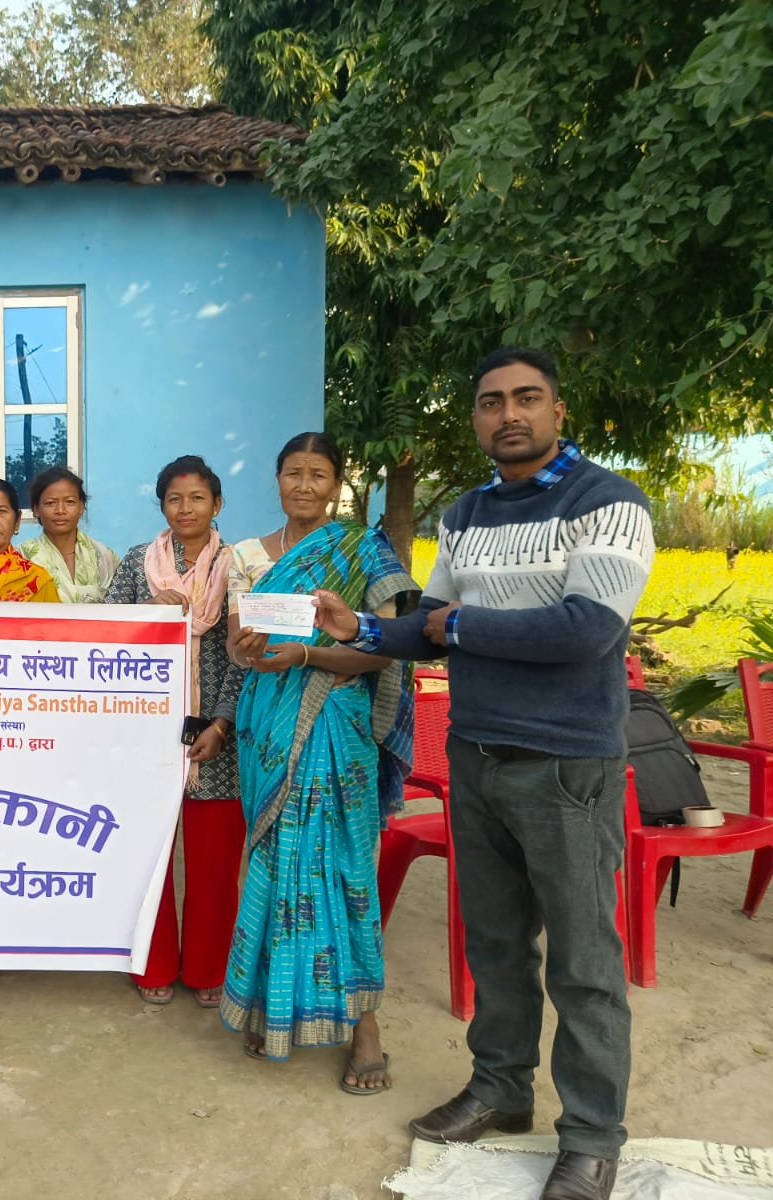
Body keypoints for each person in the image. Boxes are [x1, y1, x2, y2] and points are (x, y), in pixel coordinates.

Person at [313, 347, 655, 1200]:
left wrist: (459, 628)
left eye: (527, 399)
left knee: (583, 960)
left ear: (557, 411)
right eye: (492, 402)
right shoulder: (466, 514)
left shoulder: (609, 503)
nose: (510, 414)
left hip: (567, 764)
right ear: (475, 419)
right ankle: (501, 1090)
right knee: (497, 944)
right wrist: (358, 624)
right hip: (477, 756)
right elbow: (425, 623)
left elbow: (583, 630)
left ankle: (591, 1136)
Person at [220, 432, 418, 1096]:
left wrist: (305, 656)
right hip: (266, 729)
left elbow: (382, 650)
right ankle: (271, 1009)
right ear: (276, 479)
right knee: (275, 868)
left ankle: (365, 1031)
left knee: (342, 870)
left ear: (336, 483)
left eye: (318, 474)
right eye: (293, 473)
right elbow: (237, 643)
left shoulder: (362, 550)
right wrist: (244, 646)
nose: (304, 485)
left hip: (336, 727)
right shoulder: (248, 556)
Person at [103, 455, 244, 1006]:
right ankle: (153, 963)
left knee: (214, 861)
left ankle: (209, 970)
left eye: (197, 498)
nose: (186, 509)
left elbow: (246, 655)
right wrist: (149, 612)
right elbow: (108, 635)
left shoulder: (240, 565)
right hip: (146, 732)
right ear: (162, 506)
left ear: (217, 503)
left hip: (218, 733)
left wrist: (223, 722)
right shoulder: (141, 563)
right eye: (174, 499)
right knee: (148, 854)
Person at [17, 466, 120, 603]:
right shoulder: (21, 558)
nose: (60, 510)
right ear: (36, 509)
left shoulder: (104, 556)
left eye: (69, 502)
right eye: (50, 503)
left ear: (81, 507)